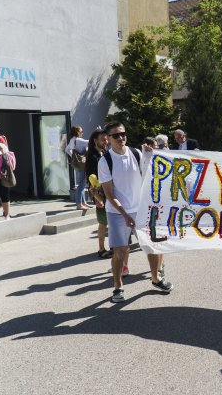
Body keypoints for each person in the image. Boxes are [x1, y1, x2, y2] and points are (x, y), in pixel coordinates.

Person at [98, 122, 172, 303]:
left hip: (141, 210)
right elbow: (109, 194)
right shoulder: (105, 161)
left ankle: (156, 278)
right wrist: (124, 214)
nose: (121, 138)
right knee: (120, 252)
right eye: (116, 135)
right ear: (108, 138)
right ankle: (118, 287)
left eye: (123, 134)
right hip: (117, 212)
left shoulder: (136, 153)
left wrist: (151, 153)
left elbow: (151, 173)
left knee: (152, 246)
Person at [85, 129, 112, 259]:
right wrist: (97, 197)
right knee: (103, 223)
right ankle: (101, 249)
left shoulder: (105, 153)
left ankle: (113, 247)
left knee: (111, 221)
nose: (106, 141)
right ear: (95, 141)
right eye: (103, 139)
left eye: (107, 138)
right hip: (100, 194)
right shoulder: (92, 157)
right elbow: (90, 179)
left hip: (109, 192)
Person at [65, 125, 91, 210]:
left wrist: (73, 155)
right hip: (82, 164)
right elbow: (91, 142)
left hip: (77, 164)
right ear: (78, 132)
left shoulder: (72, 140)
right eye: (81, 131)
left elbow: (67, 149)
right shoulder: (79, 140)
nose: (82, 133)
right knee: (81, 185)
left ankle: (83, 202)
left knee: (82, 184)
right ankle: (79, 204)